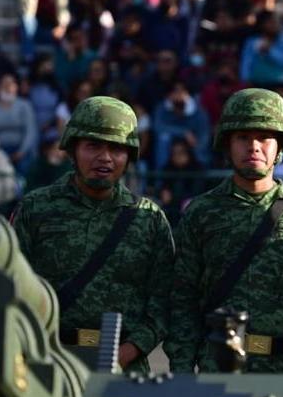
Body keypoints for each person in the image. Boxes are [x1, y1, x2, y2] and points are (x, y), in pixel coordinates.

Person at [164, 88, 283, 374]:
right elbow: (183, 301)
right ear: (227, 144)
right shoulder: (201, 213)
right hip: (218, 369)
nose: (254, 146)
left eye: (265, 137)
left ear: (280, 147)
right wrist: (181, 371)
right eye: (242, 137)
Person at [11, 96, 174, 374]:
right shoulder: (35, 208)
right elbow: (14, 287)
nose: (105, 157)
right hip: (48, 363)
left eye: (116, 148)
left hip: (124, 370)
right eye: (93, 146)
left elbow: (164, 301)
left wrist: (125, 354)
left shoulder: (149, 219)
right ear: (73, 149)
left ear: (129, 155)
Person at [0, 73, 37, 175]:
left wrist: (21, 152)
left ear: (16, 87)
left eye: (11, 84)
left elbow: (30, 131)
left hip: (21, 149)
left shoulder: (25, 105)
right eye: (4, 84)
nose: (7, 87)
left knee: (25, 168)